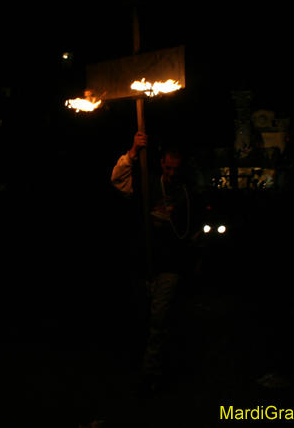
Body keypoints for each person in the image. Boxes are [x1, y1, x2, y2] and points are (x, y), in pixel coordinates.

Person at [111, 131, 200, 396]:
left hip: (170, 266)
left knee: (159, 318)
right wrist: (133, 152)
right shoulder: (148, 184)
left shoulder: (186, 192)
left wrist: (194, 259)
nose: (171, 173)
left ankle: (152, 373)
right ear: (161, 163)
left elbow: (192, 230)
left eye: (176, 168)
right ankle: (138, 362)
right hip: (143, 264)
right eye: (168, 167)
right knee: (143, 317)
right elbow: (117, 180)